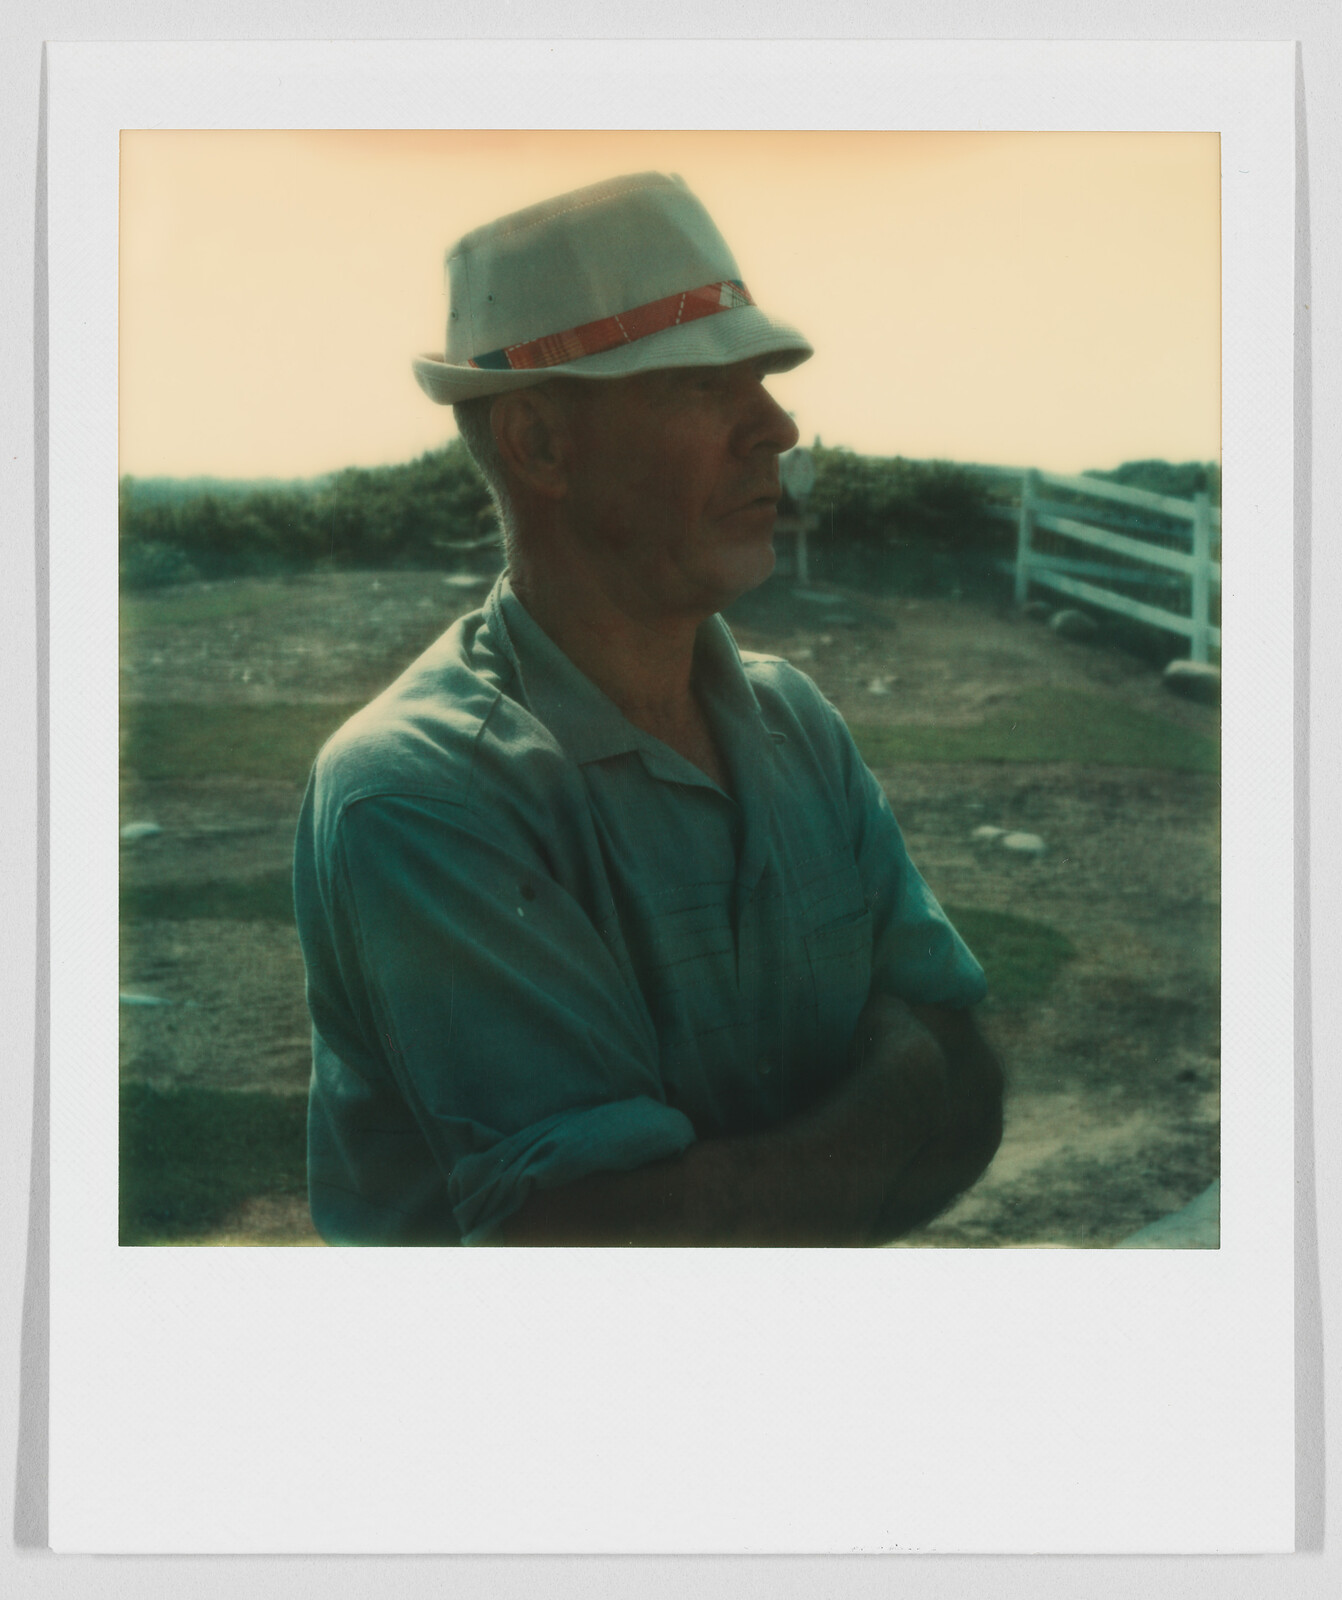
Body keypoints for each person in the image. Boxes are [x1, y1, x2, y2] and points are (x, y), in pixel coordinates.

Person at [293, 171, 1003, 1247]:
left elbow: (977, 1080)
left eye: (761, 381)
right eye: (703, 387)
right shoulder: (418, 791)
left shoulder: (795, 722)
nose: (776, 425)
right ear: (539, 445)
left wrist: (773, 1192)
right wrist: (900, 1079)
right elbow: (597, 1253)